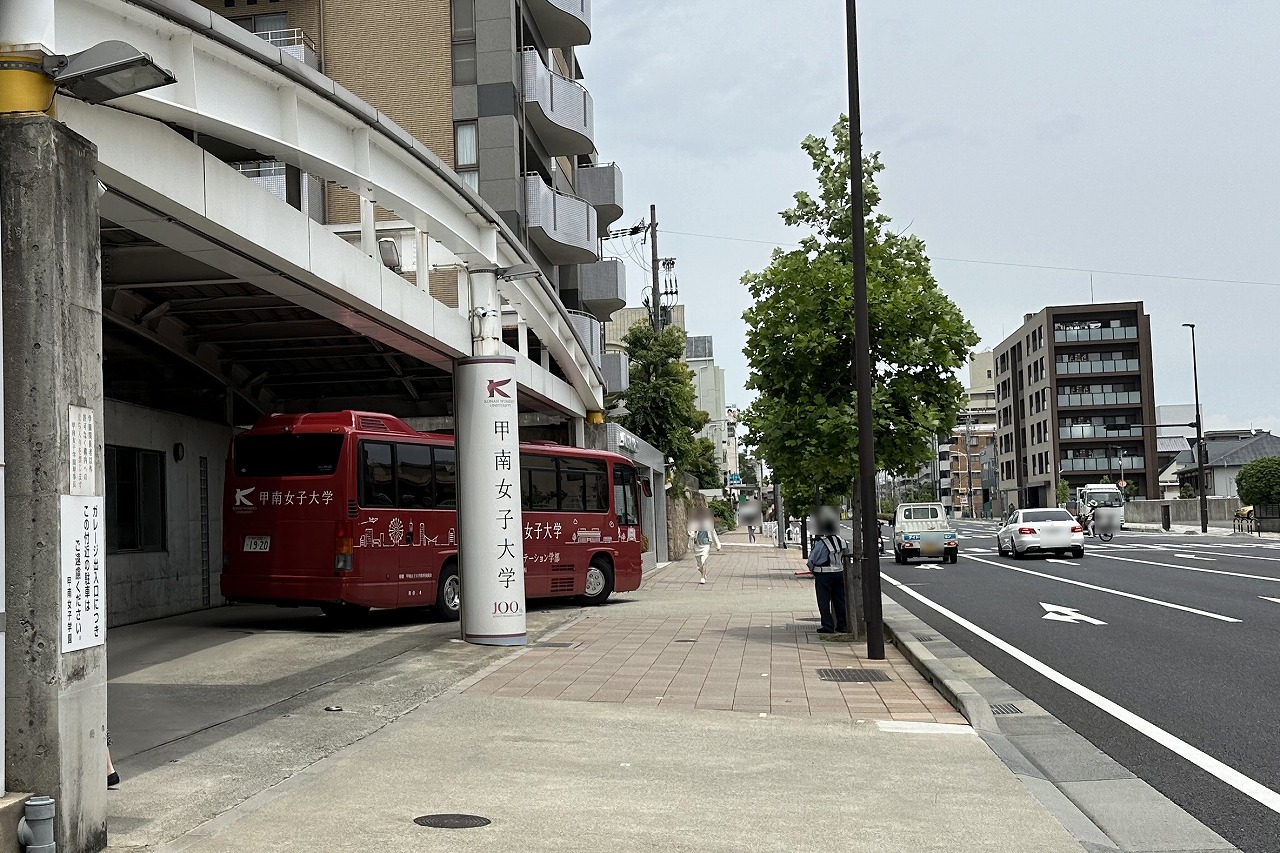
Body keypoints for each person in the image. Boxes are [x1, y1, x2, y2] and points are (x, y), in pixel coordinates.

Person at [807, 511, 848, 634]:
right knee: (839, 600)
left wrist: (812, 569)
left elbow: (811, 560)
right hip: (839, 572)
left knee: (824, 601)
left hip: (823, 574)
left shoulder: (821, 543)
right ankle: (842, 625)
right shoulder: (841, 541)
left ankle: (828, 626)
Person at [688, 507, 721, 584]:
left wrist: (717, 545)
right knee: (699, 565)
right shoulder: (694, 523)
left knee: (703, 560)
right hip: (697, 545)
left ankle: (703, 577)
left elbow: (713, 534)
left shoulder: (708, 523)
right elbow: (690, 532)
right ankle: (704, 573)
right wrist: (692, 535)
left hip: (705, 544)